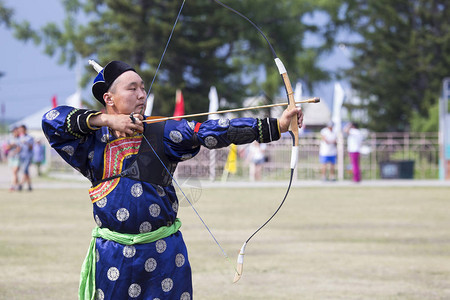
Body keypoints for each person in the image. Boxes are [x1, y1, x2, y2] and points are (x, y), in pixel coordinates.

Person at [42, 60, 304, 299]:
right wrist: (106, 120)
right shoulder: (91, 143)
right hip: (113, 257)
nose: (142, 94)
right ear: (109, 98)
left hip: (164, 255)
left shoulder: (162, 130)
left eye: (142, 88)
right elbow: (51, 120)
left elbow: (212, 131)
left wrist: (277, 125)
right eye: (132, 89)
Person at [17, 125, 34, 191]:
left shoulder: (29, 137)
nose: (20, 130)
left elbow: (31, 147)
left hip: (28, 156)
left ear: (24, 129)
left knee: (24, 170)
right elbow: (18, 147)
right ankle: (29, 186)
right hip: (21, 156)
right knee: (26, 171)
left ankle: (21, 185)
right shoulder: (19, 137)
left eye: (21, 129)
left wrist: (26, 143)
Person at [5, 126, 21, 191]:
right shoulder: (9, 138)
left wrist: (16, 147)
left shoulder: (20, 138)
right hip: (11, 157)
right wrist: (12, 145)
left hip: (18, 157)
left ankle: (12, 186)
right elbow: (6, 148)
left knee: (15, 172)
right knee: (15, 173)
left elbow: (20, 148)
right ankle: (18, 185)